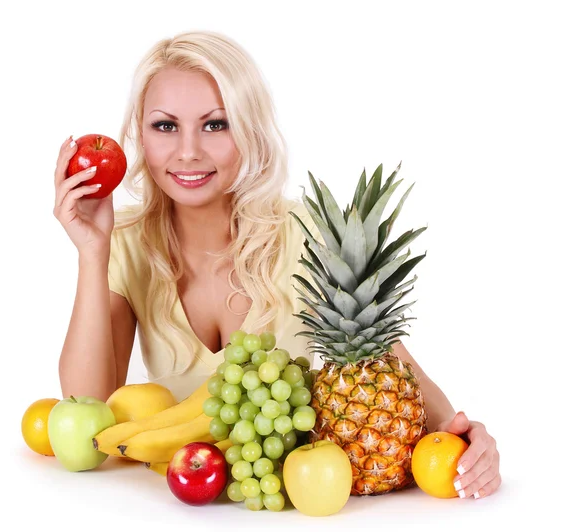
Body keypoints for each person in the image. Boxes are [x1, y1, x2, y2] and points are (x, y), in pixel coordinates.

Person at [52, 30, 500, 499]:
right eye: (165, 126)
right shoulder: (123, 241)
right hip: (164, 509)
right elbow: (88, 411)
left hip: (298, 502)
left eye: (216, 124)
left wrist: (466, 440)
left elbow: (407, 386)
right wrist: (92, 252)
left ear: (250, 130)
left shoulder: (309, 236)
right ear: (139, 136)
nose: (188, 151)